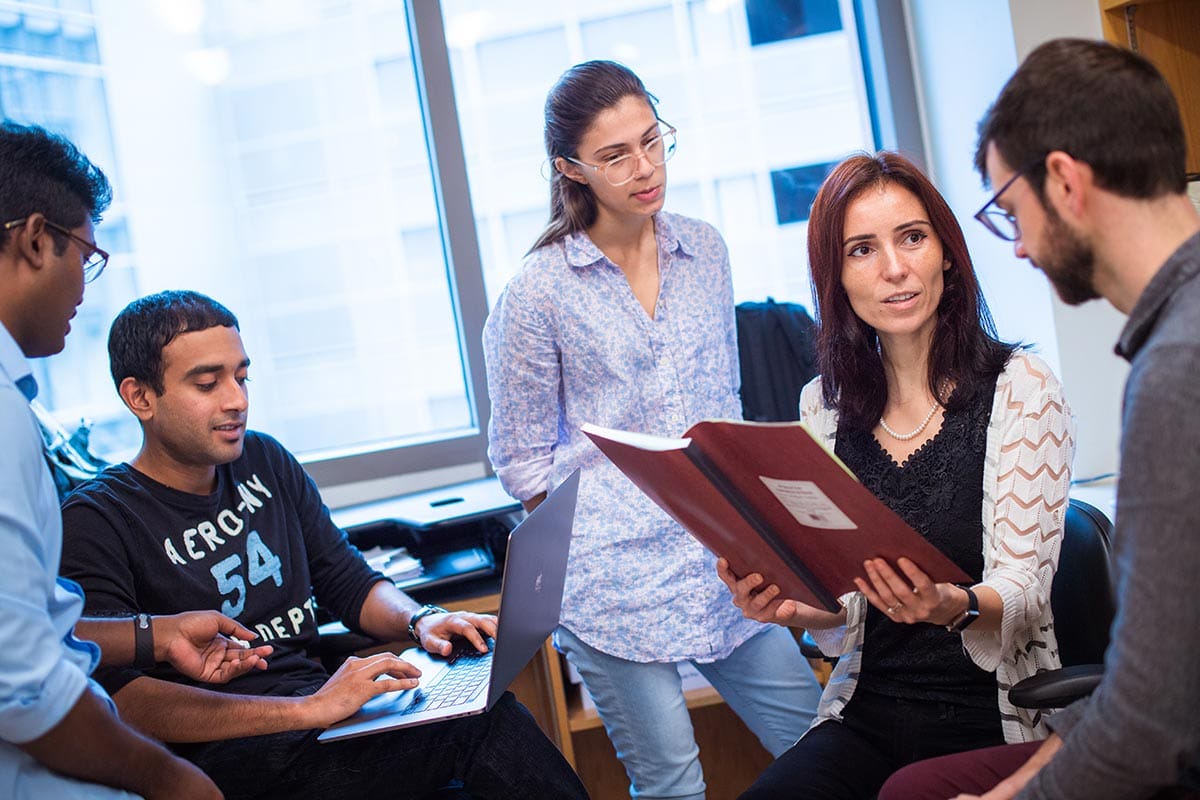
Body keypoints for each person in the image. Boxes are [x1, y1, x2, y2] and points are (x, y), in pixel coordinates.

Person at [58, 290, 590, 800]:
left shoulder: (264, 461)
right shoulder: (97, 519)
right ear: (139, 397)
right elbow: (121, 702)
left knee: (479, 759)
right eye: (207, 384)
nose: (237, 401)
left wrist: (420, 620)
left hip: (322, 720)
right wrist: (308, 710)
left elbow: (345, 578)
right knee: (479, 729)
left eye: (242, 378)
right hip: (232, 756)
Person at [482, 60, 821, 800]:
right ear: (570, 168)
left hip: (726, 563)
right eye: (614, 156)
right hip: (612, 585)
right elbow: (520, 458)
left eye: (652, 141)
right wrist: (590, 550)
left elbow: (721, 403)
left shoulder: (706, 251)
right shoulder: (538, 292)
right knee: (671, 783)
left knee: (820, 742)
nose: (644, 168)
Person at [878, 37, 1200, 800]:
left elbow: (1151, 724)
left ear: (1064, 181)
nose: (1017, 248)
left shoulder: (1177, 373)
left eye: (1010, 211)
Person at [719, 151, 1076, 800]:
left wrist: (954, 605)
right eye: (861, 249)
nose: (893, 269)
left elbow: (1026, 589)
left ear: (945, 251)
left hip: (988, 717)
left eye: (911, 237)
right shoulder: (821, 409)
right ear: (837, 277)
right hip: (868, 712)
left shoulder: (1021, 389)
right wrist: (800, 610)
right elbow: (844, 622)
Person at [0, 121, 274, 800]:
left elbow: (29, 624)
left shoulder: (266, 461)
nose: (84, 289)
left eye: (241, 377)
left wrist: (156, 633)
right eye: (86, 256)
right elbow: (24, 677)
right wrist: (171, 778)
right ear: (37, 239)